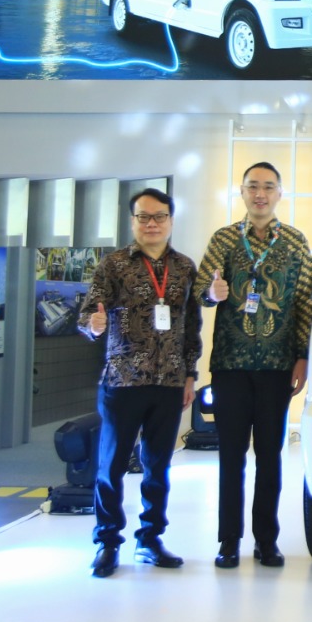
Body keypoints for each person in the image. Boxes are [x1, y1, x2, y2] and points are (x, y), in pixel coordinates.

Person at [192, 162, 312, 569]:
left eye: (268, 187)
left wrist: (302, 356)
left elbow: (304, 302)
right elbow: (199, 290)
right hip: (231, 363)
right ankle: (229, 540)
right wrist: (211, 292)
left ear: (280, 193)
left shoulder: (295, 242)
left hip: (277, 365)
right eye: (253, 187)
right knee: (230, 455)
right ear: (242, 192)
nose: (260, 194)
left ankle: (267, 540)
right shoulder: (224, 239)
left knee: (270, 455)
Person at [78, 188, 202, 579]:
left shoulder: (184, 267)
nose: (152, 224)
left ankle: (150, 539)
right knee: (111, 467)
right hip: (123, 381)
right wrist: (92, 325)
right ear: (132, 221)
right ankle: (107, 542)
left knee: (158, 467)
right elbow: (88, 314)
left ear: (170, 220)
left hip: (169, 382)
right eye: (143, 217)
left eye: (159, 216)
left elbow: (191, 324)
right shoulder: (113, 265)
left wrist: (191, 373)